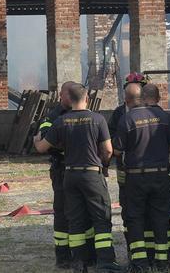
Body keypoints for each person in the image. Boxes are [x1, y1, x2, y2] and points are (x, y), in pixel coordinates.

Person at [35, 82, 120, 272]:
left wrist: (36, 139)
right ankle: (106, 262)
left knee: (75, 220)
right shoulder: (98, 119)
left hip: (69, 175)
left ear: (69, 99)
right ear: (87, 98)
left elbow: (41, 147)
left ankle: (79, 263)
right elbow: (107, 150)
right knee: (100, 217)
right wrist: (103, 165)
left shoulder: (60, 121)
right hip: (91, 174)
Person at [116, 82, 170, 272]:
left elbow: (117, 151)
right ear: (159, 98)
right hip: (160, 175)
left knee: (135, 218)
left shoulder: (128, 118)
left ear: (142, 98)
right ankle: (162, 261)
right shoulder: (167, 118)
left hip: (135, 177)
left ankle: (140, 262)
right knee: (160, 217)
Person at [36, 84, 74, 269]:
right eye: (70, 94)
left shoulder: (83, 112)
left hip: (81, 170)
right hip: (61, 169)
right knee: (62, 212)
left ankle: (84, 254)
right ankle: (63, 256)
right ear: (62, 95)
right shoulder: (52, 116)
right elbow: (44, 139)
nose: (73, 97)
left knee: (82, 212)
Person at [110, 76, 146, 256]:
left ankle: (147, 252)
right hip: (125, 171)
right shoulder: (118, 114)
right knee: (129, 210)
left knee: (147, 211)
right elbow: (111, 141)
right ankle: (134, 249)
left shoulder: (152, 113)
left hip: (145, 170)